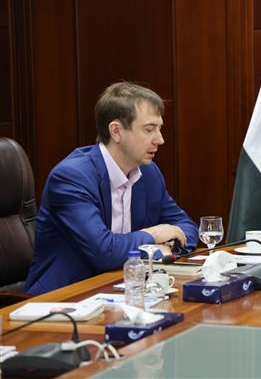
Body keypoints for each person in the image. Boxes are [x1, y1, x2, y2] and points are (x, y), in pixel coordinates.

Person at [25, 82, 198, 294]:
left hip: (124, 290)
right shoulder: (72, 177)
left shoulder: (149, 173)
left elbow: (187, 228)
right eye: (149, 129)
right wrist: (153, 236)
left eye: (159, 128)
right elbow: (104, 251)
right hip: (64, 298)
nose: (160, 140)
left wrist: (162, 248)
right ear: (116, 131)